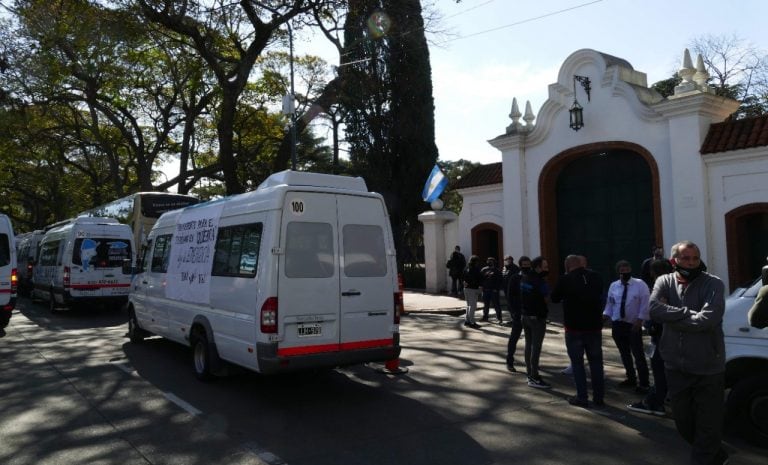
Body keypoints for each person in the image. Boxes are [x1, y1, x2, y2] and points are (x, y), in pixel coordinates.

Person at [649, 241, 729, 465]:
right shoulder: (664, 281)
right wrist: (686, 313)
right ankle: (718, 454)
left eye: (695, 258)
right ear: (675, 261)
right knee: (684, 424)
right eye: (686, 258)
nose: (691, 263)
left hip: (708, 367)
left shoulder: (713, 284)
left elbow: (707, 320)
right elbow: (654, 308)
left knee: (708, 424)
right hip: (676, 366)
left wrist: (672, 317)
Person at [550, 254, 605, 407]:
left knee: (577, 363)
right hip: (594, 326)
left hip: (574, 328)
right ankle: (599, 397)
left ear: (567, 266)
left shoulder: (565, 279)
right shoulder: (596, 276)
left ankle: (582, 397)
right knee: (596, 363)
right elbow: (600, 292)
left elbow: (554, 298)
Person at [627, 258, 674, 416]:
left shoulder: (660, 289)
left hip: (662, 336)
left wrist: (648, 324)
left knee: (660, 370)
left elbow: (658, 313)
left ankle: (654, 402)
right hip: (672, 335)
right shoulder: (677, 286)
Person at [604, 260, 651, 393]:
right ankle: (631, 377)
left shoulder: (640, 284)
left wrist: (640, 320)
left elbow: (645, 303)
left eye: (627, 269)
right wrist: (605, 316)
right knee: (624, 353)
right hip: (618, 324)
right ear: (618, 272)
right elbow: (610, 304)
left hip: (633, 325)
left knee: (638, 354)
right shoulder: (614, 286)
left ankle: (644, 382)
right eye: (622, 270)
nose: (625, 272)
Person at [521, 256, 551, 389]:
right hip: (537, 318)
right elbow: (546, 299)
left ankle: (529, 372)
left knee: (529, 345)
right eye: (545, 267)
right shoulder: (540, 281)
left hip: (525, 316)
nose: (547, 269)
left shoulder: (525, 277)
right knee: (536, 347)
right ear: (538, 267)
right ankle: (534, 376)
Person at [505, 256, 529, 372]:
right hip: (518, 313)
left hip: (530, 313)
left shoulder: (531, 278)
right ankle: (509, 360)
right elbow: (510, 297)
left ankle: (531, 362)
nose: (526, 267)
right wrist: (513, 312)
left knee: (531, 340)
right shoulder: (515, 278)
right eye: (524, 265)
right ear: (520, 265)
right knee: (514, 337)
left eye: (528, 264)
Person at [462, 255, 483, 329]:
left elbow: (463, 277)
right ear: (476, 262)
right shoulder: (475, 269)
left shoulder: (466, 268)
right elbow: (478, 278)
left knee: (468, 306)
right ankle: (472, 322)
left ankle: (467, 321)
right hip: (472, 289)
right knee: (473, 306)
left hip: (466, 289)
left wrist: (465, 282)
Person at [480, 257, 503, 323]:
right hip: (485, 290)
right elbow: (480, 279)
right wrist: (481, 286)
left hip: (494, 291)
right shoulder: (484, 270)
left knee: (496, 305)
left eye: (491, 261)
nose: (489, 262)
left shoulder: (497, 270)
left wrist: (496, 289)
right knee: (486, 305)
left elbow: (500, 281)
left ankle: (499, 318)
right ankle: (485, 317)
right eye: (488, 261)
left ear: (494, 262)